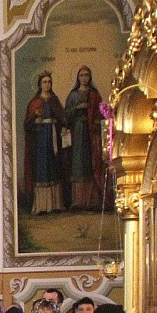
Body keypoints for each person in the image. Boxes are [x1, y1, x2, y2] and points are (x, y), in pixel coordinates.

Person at [24, 72, 67, 215]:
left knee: (54, 168)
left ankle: (55, 204)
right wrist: (35, 121)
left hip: (53, 137)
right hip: (40, 140)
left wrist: (62, 126)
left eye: (49, 82)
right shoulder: (34, 102)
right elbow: (27, 124)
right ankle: (42, 206)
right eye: (44, 82)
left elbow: (62, 117)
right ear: (40, 84)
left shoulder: (54, 100)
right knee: (42, 168)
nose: (47, 84)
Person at [65, 66, 105, 210]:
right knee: (79, 163)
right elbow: (66, 115)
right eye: (81, 75)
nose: (84, 78)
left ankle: (92, 200)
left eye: (86, 75)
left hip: (91, 133)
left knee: (91, 162)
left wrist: (97, 119)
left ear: (90, 77)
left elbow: (101, 112)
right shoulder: (73, 95)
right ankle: (79, 201)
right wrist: (77, 108)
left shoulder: (94, 94)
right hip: (78, 131)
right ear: (78, 77)